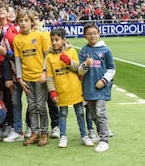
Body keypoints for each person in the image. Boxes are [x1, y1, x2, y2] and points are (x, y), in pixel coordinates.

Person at [45, 27, 94, 148]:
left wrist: (68, 61)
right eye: (52, 40)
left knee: (79, 113)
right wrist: (52, 92)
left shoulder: (71, 51)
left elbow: (78, 68)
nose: (54, 42)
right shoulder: (49, 56)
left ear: (64, 40)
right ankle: (63, 136)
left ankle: (84, 135)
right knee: (62, 113)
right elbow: (50, 76)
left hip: (74, 88)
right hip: (61, 90)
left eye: (57, 39)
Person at [13, 8, 49, 147]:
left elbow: (47, 55)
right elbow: (17, 60)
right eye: (20, 20)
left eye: (26, 20)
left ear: (32, 22)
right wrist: (20, 78)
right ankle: (35, 132)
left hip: (39, 77)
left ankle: (44, 132)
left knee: (40, 105)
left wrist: (44, 71)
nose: (23, 23)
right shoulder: (17, 39)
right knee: (32, 106)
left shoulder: (39, 36)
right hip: (26, 78)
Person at [78, 23, 116, 153]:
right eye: (89, 33)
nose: (92, 35)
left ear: (98, 33)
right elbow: (80, 72)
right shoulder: (84, 51)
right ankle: (102, 133)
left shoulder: (105, 50)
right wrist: (85, 65)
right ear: (85, 36)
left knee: (100, 113)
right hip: (88, 88)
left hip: (101, 88)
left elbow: (112, 69)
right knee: (94, 115)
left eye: (94, 32)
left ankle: (104, 140)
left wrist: (103, 80)